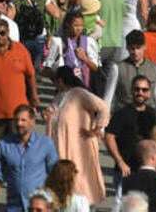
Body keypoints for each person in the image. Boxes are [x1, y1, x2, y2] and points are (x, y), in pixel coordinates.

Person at [47, 66, 110, 205]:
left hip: (80, 147)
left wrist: (96, 129)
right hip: (61, 146)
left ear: (61, 80)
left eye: (55, 81)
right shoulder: (58, 98)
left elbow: (103, 108)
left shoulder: (79, 94)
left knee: (81, 179)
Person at [0, 105, 58, 212]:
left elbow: (55, 175)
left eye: (23, 120)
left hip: (39, 207)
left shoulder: (45, 144)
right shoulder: (4, 145)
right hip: (14, 207)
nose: (19, 124)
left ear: (32, 122)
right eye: (16, 120)